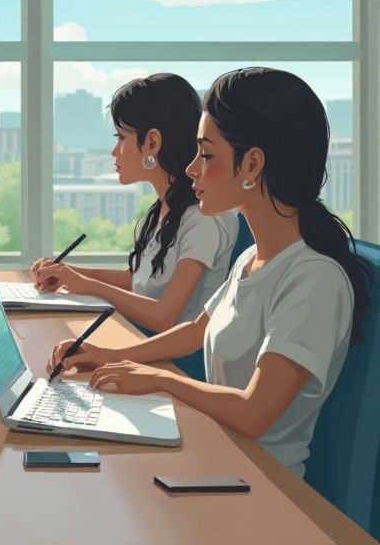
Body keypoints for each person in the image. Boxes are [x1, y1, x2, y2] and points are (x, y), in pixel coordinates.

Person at [46, 67, 373, 477]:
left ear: (252, 164)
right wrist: (109, 357)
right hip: (216, 455)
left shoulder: (314, 279)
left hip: (261, 486)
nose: (191, 169)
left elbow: (254, 414)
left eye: (207, 155)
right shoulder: (253, 258)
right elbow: (197, 328)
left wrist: (160, 381)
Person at [34, 73, 238, 333]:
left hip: (175, 361)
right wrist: (66, 272)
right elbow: (136, 283)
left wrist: (88, 285)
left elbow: (163, 316)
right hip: (141, 340)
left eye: (120, 137)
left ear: (152, 142)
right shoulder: (162, 210)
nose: (114, 151)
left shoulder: (202, 219)